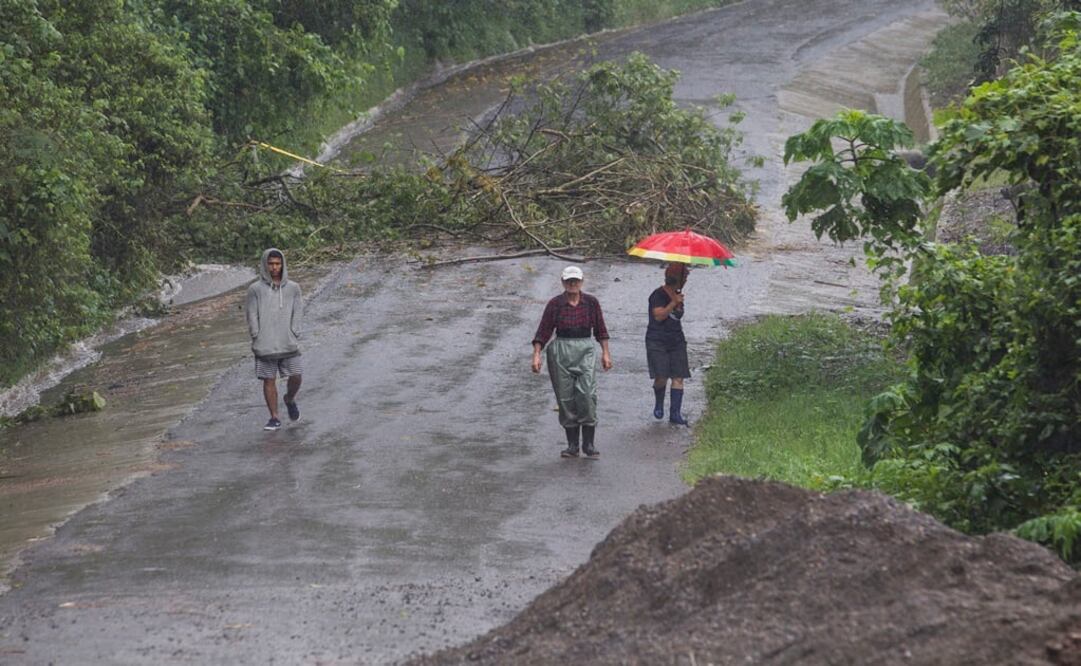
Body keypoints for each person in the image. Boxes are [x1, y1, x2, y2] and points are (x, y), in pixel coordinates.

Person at [531, 265, 613, 459]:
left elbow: (601, 330)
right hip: (561, 350)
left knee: (587, 393)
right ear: (563, 282)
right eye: (569, 281)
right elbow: (543, 331)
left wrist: (606, 353)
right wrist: (537, 354)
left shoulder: (591, 303)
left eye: (576, 280)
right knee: (565, 397)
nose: (573, 284)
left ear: (582, 282)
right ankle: (572, 445)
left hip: (584, 348)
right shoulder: (555, 304)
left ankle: (589, 444)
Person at [245, 248, 304, 431]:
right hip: (265, 343)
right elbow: (251, 313)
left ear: (283, 264)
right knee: (268, 379)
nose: (274, 267)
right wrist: (256, 334)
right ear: (265, 265)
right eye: (271, 264)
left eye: (278, 264)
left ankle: (289, 398)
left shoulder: (293, 288)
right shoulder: (255, 289)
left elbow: (298, 311)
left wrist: (294, 331)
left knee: (296, 376)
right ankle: (274, 417)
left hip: (287, 341)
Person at [646, 262, 691, 425]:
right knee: (661, 377)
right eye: (684, 277)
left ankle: (675, 414)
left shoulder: (679, 295)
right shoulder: (657, 295)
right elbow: (658, 316)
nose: (686, 280)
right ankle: (659, 403)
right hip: (657, 339)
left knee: (678, 376)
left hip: (676, 339)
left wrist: (677, 301)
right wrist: (673, 303)